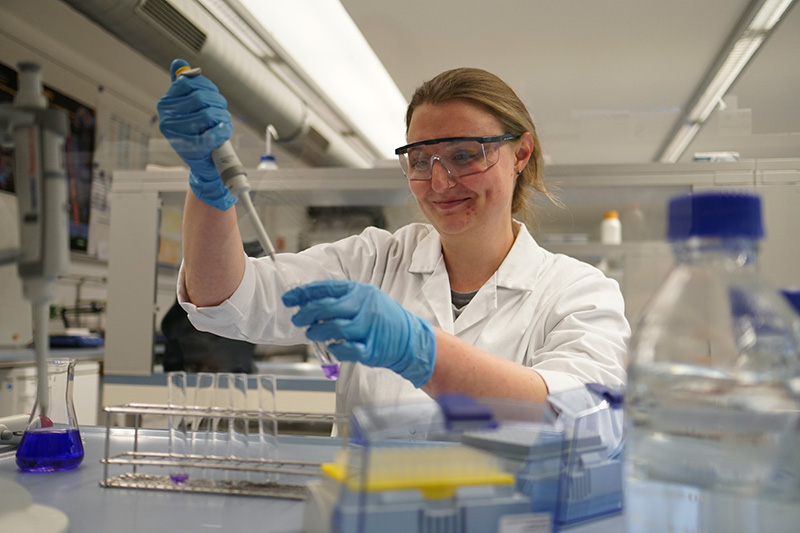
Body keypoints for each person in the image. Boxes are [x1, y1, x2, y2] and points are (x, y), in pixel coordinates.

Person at [157, 59, 629, 418]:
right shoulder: (371, 261)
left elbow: (576, 412)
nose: (440, 182)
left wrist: (419, 349)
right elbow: (225, 299)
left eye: (465, 155)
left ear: (521, 153)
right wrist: (209, 183)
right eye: (421, 161)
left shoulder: (579, 292)